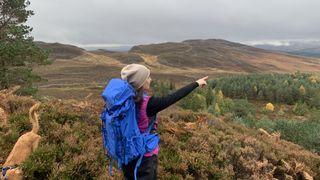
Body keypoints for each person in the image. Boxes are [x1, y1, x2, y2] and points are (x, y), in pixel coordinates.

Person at [120, 64, 208, 180]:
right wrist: (196, 83)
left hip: (126, 154)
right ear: (141, 82)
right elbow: (173, 97)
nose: (150, 79)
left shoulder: (121, 100)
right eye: (148, 77)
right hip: (144, 158)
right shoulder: (148, 104)